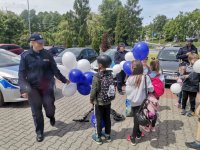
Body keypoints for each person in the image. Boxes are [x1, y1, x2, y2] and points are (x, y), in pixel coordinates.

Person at [18, 33, 70, 142]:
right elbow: (21, 74)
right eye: (39, 42)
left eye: (42, 42)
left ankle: (51, 116)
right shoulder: (25, 56)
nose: (42, 44)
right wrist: (23, 89)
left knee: (50, 108)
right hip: (33, 88)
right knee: (36, 112)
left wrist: (64, 80)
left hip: (47, 87)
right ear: (32, 43)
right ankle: (40, 132)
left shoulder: (47, 54)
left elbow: (55, 70)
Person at [126, 60, 154, 146]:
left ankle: (133, 137)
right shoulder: (146, 77)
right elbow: (151, 89)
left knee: (136, 119)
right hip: (141, 102)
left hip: (131, 102)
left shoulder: (129, 78)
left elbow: (127, 91)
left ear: (133, 68)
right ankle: (137, 135)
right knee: (137, 119)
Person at [90, 55, 114, 145]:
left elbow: (94, 89)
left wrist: (91, 99)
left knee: (98, 119)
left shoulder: (97, 76)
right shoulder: (110, 74)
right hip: (108, 101)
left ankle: (98, 137)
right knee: (107, 118)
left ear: (100, 65)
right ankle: (108, 135)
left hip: (99, 102)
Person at [142, 59, 165, 132]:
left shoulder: (148, 74)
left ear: (151, 66)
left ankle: (147, 125)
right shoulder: (160, 75)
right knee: (154, 109)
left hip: (149, 95)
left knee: (147, 110)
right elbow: (163, 85)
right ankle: (153, 126)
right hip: (157, 95)